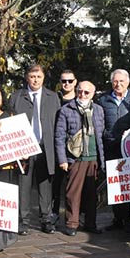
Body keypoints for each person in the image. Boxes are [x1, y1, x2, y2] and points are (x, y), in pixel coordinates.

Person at [9, 64, 61, 234]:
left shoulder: (53, 97)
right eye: (32, 77)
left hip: (45, 147)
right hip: (24, 148)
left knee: (45, 184)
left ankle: (46, 218)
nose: (35, 80)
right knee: (24, 184)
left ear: (43, 78)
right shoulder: (17, 97)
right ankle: (23, 220)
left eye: (38, 77)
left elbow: (58, 124)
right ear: (27, 78)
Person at [55, 81, 105, 236]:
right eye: (80, 91)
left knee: (91, 194)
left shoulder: (98, 110)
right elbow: (59, 136)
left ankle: (91, 223)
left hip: (93, 157)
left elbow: (101, 134)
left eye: (86, 92)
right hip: (75, 158)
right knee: (72, 193)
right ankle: (71, 223)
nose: (82, 95)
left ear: (93, 94)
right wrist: (62, 159)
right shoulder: (66, 110)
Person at [97, 69, 130, 233]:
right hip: (110, 147)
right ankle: (117, 218)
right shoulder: (103, 100)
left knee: (128, 184)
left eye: (121, 81)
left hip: (129, 149)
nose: (118, 84)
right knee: (114, 185)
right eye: (115, 81)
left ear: (128, 82)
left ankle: (128, 220)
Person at [52, 70, 78, 224]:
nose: (66, 84)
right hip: (58, 147)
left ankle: (73, 216)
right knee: (56, 184)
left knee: (73, 186)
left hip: (76, 150)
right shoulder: (55, 100)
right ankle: (54, 212)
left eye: (70, 80)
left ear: (75, 81)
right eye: (63, 81)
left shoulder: (81, 98)